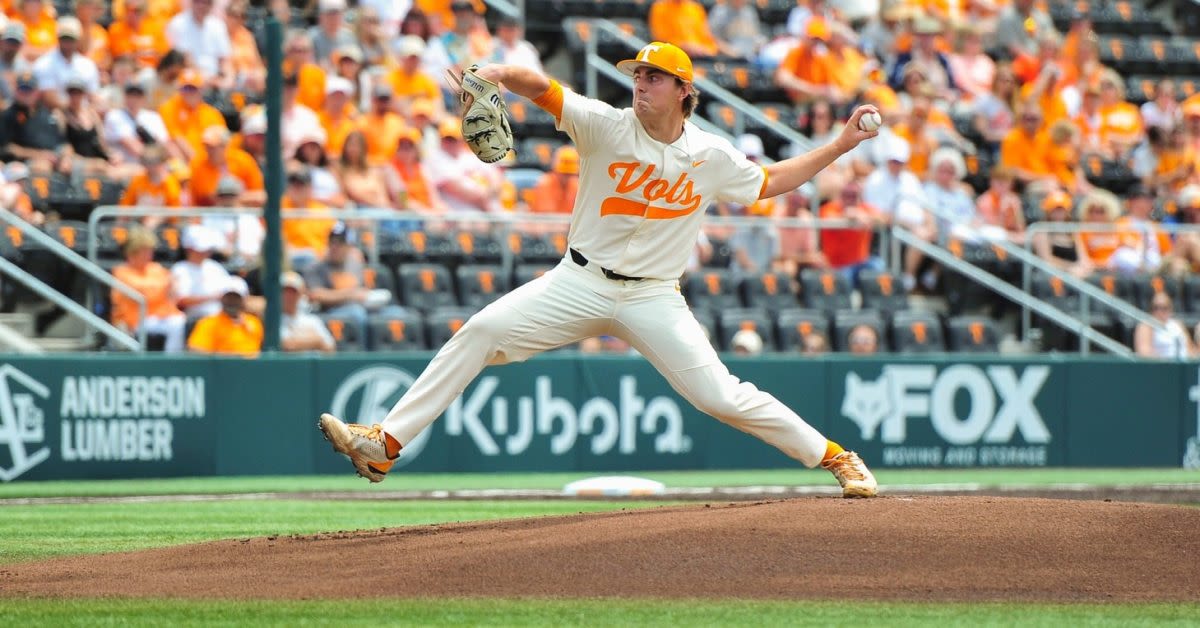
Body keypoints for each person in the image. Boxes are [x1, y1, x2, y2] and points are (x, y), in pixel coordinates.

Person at [317, 42, 880, 498]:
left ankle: (836, 457)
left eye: (655, 77)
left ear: (686, 92)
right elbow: (538, 86)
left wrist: (840, 143)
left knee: (719, 396)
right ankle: (385, 444)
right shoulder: (605, 124)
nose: (640, 82)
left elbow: (771, 182)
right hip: (578, 281)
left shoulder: (712, 156)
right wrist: (491, 72)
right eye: (638, 74)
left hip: (654, 297)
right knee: (481, 331)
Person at [111, 227, 188, 352]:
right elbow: (144, 294)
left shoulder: (155, 268)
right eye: (145, 251)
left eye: (150, 251)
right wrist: (163, 285)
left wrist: (167, 286)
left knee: (181, 321)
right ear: (132, 252)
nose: (150, 255)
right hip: (133, 320)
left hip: (162, 316)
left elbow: (173, 286)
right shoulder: (122, 272)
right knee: (175, 325)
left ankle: (173, 363)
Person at [186, 275, 263, 356]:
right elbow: (196, 350)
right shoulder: (209, 323)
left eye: (236, 298)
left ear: (244, 299)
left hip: (251, 367)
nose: (231, 301)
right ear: (221, 298)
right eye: (228, 297)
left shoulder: (254, 322)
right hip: (220, 367)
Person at [171, 223, 232, 321]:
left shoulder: (215, 267)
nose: (205, 253)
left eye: (207, 249)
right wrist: (213, 297)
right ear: (189, 249)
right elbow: (181, 300)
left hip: (221, 318)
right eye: (201, 250)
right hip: (195, 320)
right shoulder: (179, 269)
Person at [1032, 190, 1090, 277]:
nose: (1058, 213)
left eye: (1061, 210)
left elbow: (1083, 258)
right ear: (1048, 211)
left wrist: (1084, 267)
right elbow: (1047, 261)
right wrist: (1071, 268)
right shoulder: (1042, 231)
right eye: (1055, 210)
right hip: (1052, 275)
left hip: (1076, 273)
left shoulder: (1072, 231)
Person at [280, 270, 336, 353]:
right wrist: (316, 340)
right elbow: (288, 345)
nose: (289, 296)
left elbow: (330, 347)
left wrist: (299, 339)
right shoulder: (273, 322)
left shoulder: (313, 320)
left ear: (300, 294)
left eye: (293, 292)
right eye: (285, 292)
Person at [1134, 294, 1194, 360]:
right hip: (1163, 366)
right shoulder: (1146, 326)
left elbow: (1190, 349)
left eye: (1164, 308)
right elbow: (1144, 353)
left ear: (1171, 309)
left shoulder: (1178, 324)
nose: (1160, 311)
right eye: (1156, 307)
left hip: (1185, 365)